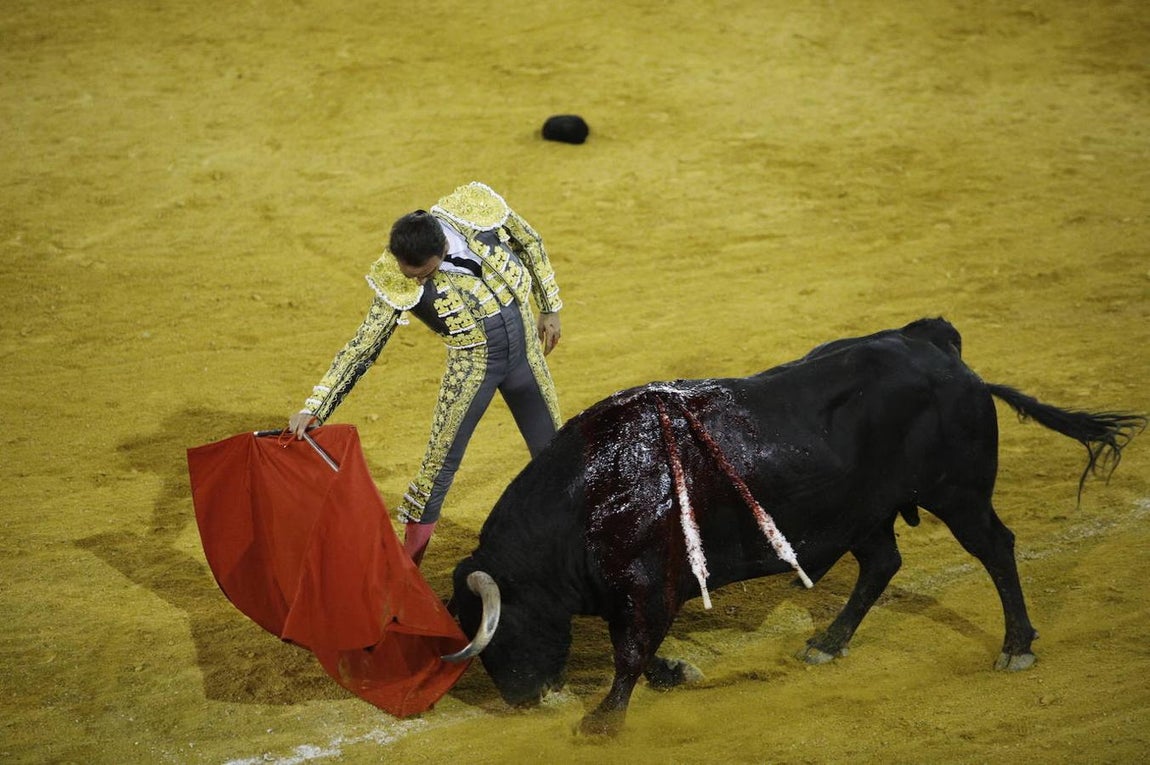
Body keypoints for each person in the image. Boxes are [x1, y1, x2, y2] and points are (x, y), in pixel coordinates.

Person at [288, 181, 564, 566]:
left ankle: (573, 545)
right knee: (437, 468)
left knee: (555, 453)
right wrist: (316, 405)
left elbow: (528, 241)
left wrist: (549, 306)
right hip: (473, 370)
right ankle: (408, 570)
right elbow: (364, 346)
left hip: (526, 359)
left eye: (424, 273)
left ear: (443, 249)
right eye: (410, 274)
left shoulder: (474, 210)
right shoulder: (397, 275)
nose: (416, 281)